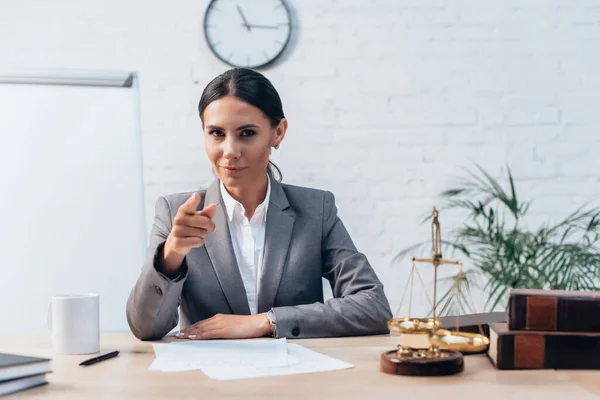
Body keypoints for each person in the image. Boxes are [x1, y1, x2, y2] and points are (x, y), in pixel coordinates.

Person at [126, 68, 393, 341]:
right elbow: (145, 328)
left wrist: (267, 321)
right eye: (217, 133)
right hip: (208, 379)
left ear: (278, 133)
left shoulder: (316, 209)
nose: (229, 151)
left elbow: (374, 306)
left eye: (247, 133)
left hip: (301, 376)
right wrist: (171, 255)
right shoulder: (175, 213)